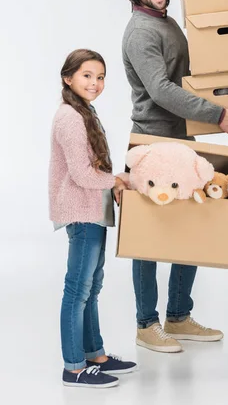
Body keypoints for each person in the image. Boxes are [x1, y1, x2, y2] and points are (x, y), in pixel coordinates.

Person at [122, 0, 228, 353]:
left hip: (182, 138)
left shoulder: (167, 22)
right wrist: (218, 115)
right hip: (152, 141)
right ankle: (147, 325)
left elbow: (191, 74)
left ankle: (178, 316)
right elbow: (161, 91)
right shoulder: (141, 32)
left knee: (190, 228)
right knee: (147, 237)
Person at [49, 49, 136, 388]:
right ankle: (74, 367)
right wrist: (117, 179)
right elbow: (82, 175)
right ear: (68, 77)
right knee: (77, 290)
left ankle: (94, 354)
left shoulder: (84, 112)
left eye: (100, 77)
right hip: (81, 211)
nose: (95, 83)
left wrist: (112, 182)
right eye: (87, 75)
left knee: (91, 287)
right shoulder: (69, 117)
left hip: (93, 211)